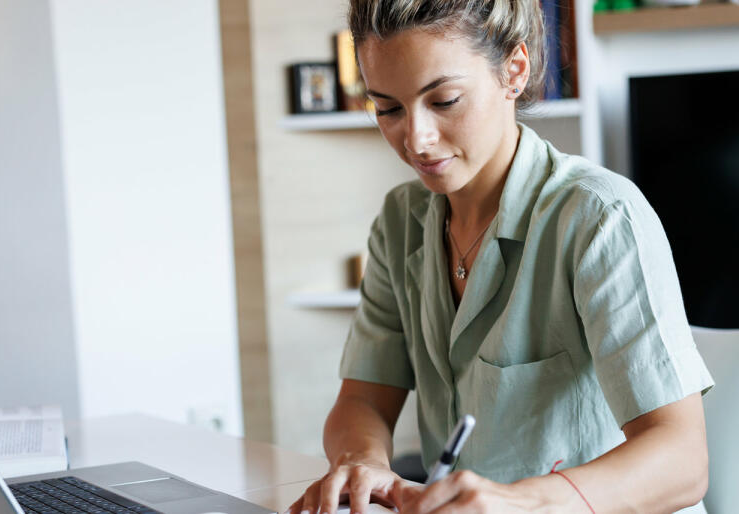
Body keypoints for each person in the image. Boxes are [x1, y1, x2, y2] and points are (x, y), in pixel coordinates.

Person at [287, 1, 715, 513]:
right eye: (388, 108)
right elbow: (361, 399)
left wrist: (522, 504)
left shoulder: (600, 216)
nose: (416, 140)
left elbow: (683, 461)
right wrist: (363, 462)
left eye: (444, 100)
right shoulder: (401, 222)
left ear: (514, 71)